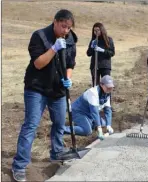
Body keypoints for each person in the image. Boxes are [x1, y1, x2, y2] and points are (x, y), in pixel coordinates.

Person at [12, 9, 77, 182]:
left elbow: (70, 63)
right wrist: (54, 48)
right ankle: (19, 165)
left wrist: (68, 78)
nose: (65, 31)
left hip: (58, 89)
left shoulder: (70, 39)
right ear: (55, 21)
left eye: (69, 28)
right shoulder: (39, 36)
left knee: (59, 122)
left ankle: (56, 153)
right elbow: (39, 64)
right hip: (37, 88)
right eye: (63, 26)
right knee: (31, 125)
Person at [64, 75, 115, 140]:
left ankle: (87, 123)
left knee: (104, 123)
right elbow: (95, 112)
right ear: (101, 85)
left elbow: (107, 110)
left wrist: (109, 125)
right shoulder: (93, 93)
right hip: (78, 112)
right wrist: (99, 129)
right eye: (108, 87)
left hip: (89, 114)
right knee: (87, 131)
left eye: (111, 87)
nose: (110, 89)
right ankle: (62, 129)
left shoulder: (106, 94)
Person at [86, 22, 115, 86]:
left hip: (105, 66)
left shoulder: (108, 40)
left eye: (98, 30)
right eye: (94, 30)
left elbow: (112, 53)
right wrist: (92, 47)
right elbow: (88, 53)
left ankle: (106, 96)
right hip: (94, 66)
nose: (96, 32)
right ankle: (96, 96)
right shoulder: (93, 40)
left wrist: (102, 50)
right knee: (95, 85)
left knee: (106, 85)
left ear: (102, 30)